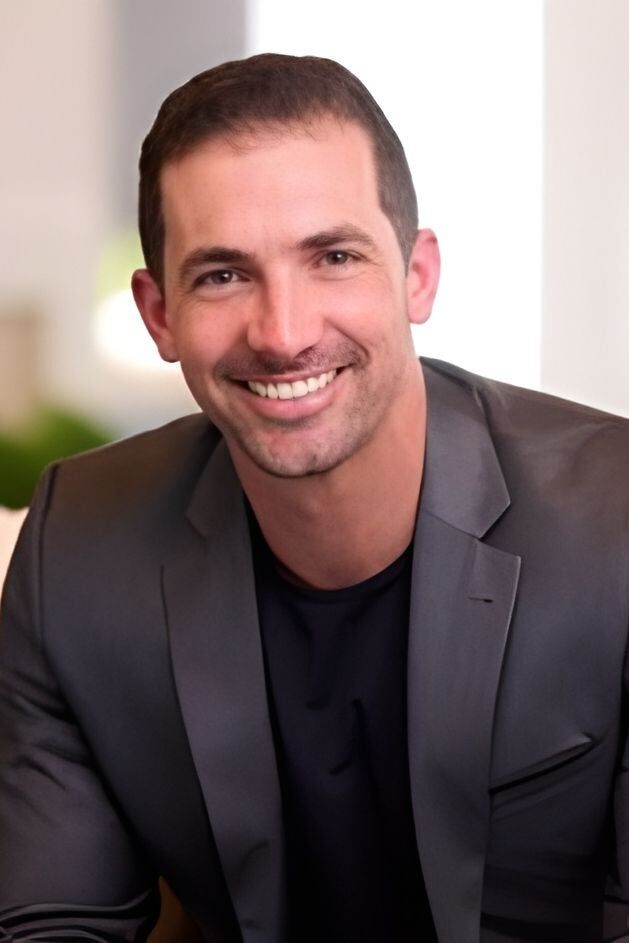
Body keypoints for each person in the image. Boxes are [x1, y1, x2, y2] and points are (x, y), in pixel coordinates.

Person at [1, 53, 628, 943]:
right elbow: (51, 924)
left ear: (416, 275)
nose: (284, 332)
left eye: (333, 257)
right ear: (159, 313)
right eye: (222, 274)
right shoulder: (77, 547)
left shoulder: (614, 521)